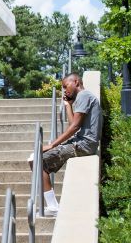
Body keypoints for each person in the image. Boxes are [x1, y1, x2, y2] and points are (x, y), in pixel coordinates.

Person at [30, 72, 102, 217]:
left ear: (76, 82)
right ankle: (52, 206)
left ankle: (53, 207)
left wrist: (52, 145)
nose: (64, 90)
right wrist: (68, 105)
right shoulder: (83, 98)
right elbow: (73, 124)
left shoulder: (84, 96)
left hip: (83, 144)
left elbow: (74, 127)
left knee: (37, 161)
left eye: (65, 86)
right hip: (82, 142)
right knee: (34, 160)